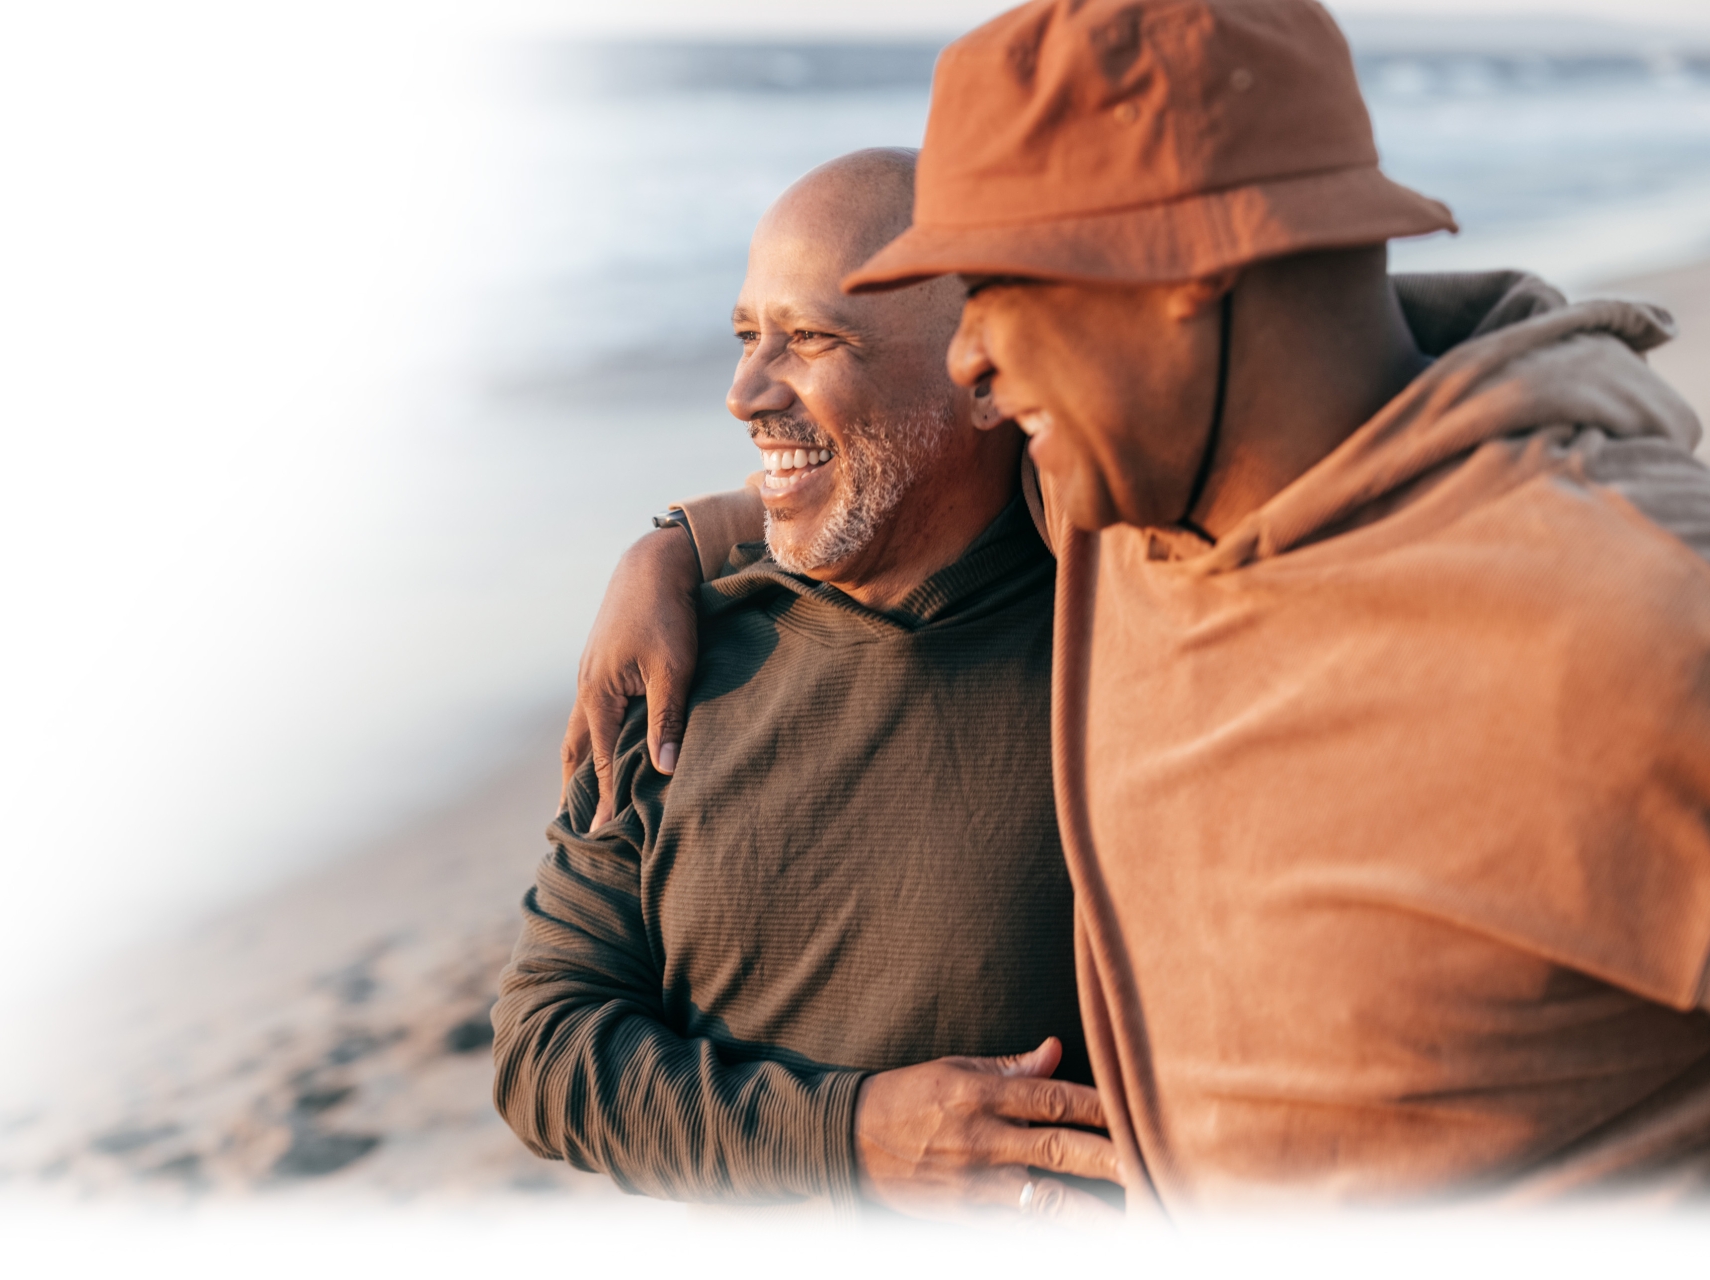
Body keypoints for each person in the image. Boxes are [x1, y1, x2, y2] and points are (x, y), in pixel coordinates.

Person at [566, 0, 1710, 1215]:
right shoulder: (1118, 502)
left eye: (1000, 288)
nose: (970, 362)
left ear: (1187, 274)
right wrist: (681, 545)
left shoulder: (1627, 624)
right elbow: (892, 472)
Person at [493, 149, 1118, 1221]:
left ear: (986, 373)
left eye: (812, 336)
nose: (745, 390)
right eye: (748, 336)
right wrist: (845, 1135)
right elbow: (546, 1045)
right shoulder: (680, 658)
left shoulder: (1130, 644)